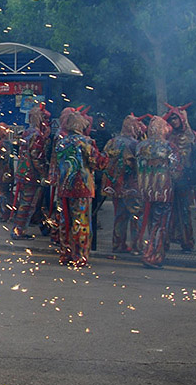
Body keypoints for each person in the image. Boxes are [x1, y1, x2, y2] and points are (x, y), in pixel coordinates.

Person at [49, 111, 107, 267]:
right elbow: (97, 163)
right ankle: (79, 256)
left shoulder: (61, 142)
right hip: (82, 188)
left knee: (65, 222)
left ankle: (65, 254)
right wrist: (106, 156)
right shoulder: (86, 142)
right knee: (80, 222)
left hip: (64, 188)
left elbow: (54, 165)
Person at [135, 116, 181, 268]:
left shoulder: (140, 146)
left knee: (147, 223)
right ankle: (152, 255)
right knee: (159, 225)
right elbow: (176, 171)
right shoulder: (169, 147)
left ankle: (144, 249)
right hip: (163, 192)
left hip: (144, 190)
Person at [102, 115, 143, 253]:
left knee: (119, 215)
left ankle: (118, 244)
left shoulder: (112, 142)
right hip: (131, 185)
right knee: (136, 215)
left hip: (115, 185)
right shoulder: (135, 144)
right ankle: (137, 245)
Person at [163, 103, 196, 251]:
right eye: (171, 119)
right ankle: (165, 241)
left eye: (175, 118)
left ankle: (187, 242)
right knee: (166, 211)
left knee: (184, 211)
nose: (173, 121)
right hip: (168, 179)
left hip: (185, 179)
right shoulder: (167, 135)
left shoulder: (193, 136)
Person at [11, 104, 51, 240]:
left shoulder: (27, 132)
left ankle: (34, 228)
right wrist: (44, 174)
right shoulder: (37, 135)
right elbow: (36, 156)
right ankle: (19, 231)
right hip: (32, 175)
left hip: (23, 173)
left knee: (26, 203)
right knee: (28, 204)